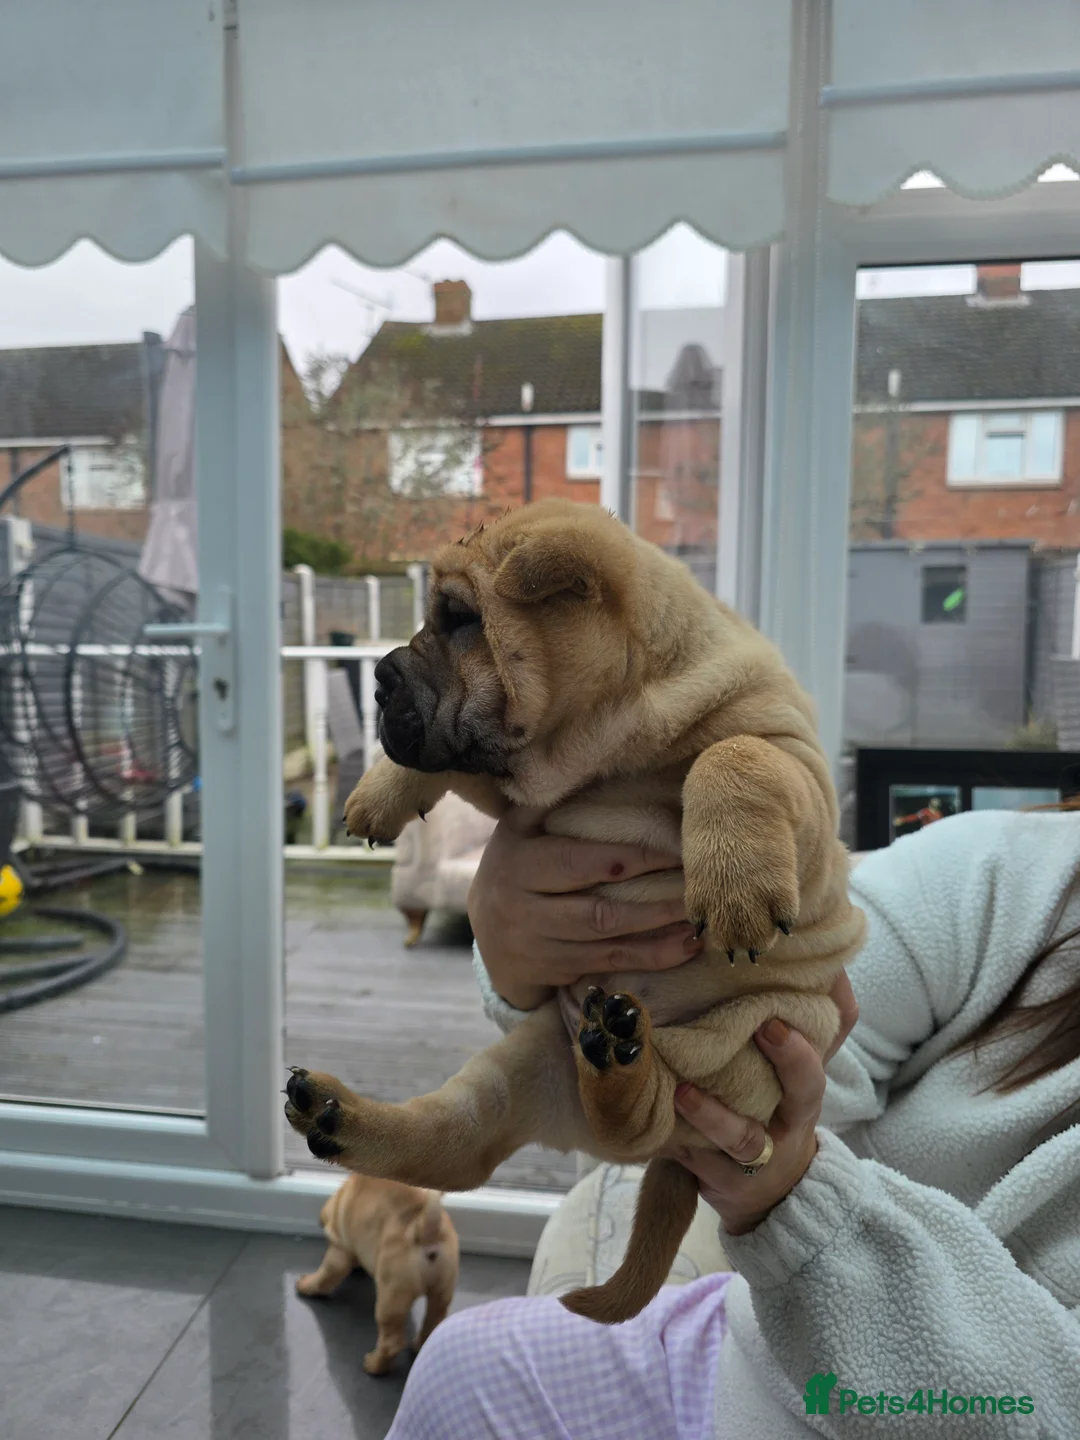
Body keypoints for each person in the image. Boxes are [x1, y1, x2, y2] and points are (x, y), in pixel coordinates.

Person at [386, 804, 1080, 1438]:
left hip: (873, 1388)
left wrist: (799, 1204)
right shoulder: (1020, 874)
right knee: (459, 1368)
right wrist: (539, 965)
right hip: (759, 1359)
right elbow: (793, 1024)